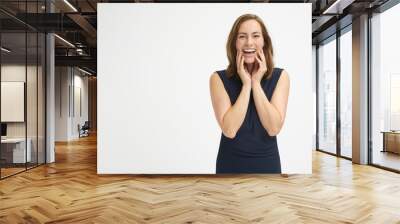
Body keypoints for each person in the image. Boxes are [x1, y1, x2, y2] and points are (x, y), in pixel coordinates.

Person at [209, 14, 290, 174]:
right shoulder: (217, 79)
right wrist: (246, 85)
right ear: (234, 43)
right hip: (230, 164)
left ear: (264, 41)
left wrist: (256, 83)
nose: (249, 42)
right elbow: (229, 130)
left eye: (255, 36)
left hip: (268, 164)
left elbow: (273, 128)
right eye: (242, 36)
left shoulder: (281, 77)